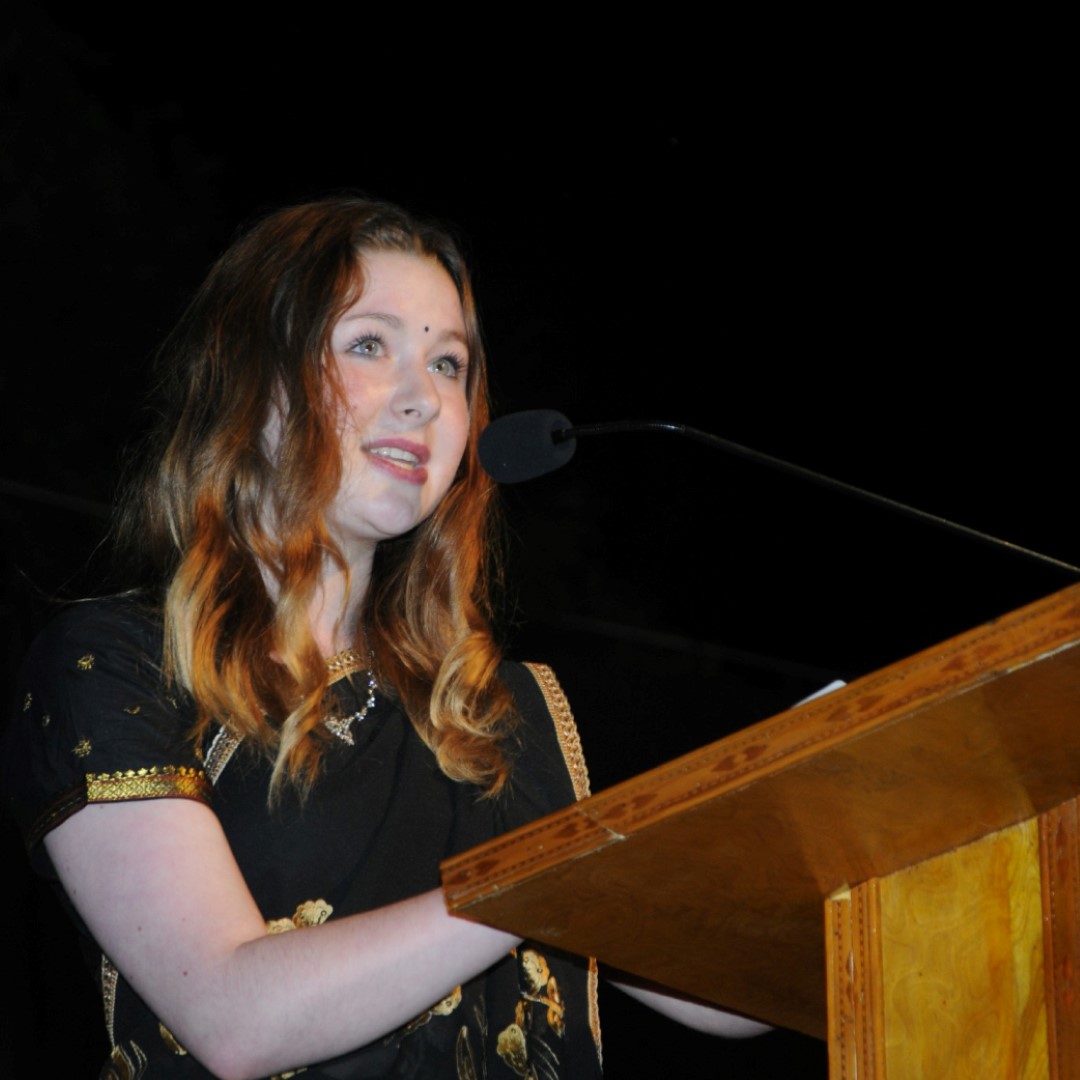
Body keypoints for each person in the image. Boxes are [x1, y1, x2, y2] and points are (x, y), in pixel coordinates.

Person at [3, 196, 766, 1078]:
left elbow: (734, 997)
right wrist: (530, 885)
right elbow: (232, 1017)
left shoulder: (493, 712)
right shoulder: (119, 665)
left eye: (449, 364)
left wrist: (828, 818)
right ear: (256, 380)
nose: (425, 399)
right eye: (370, 345)